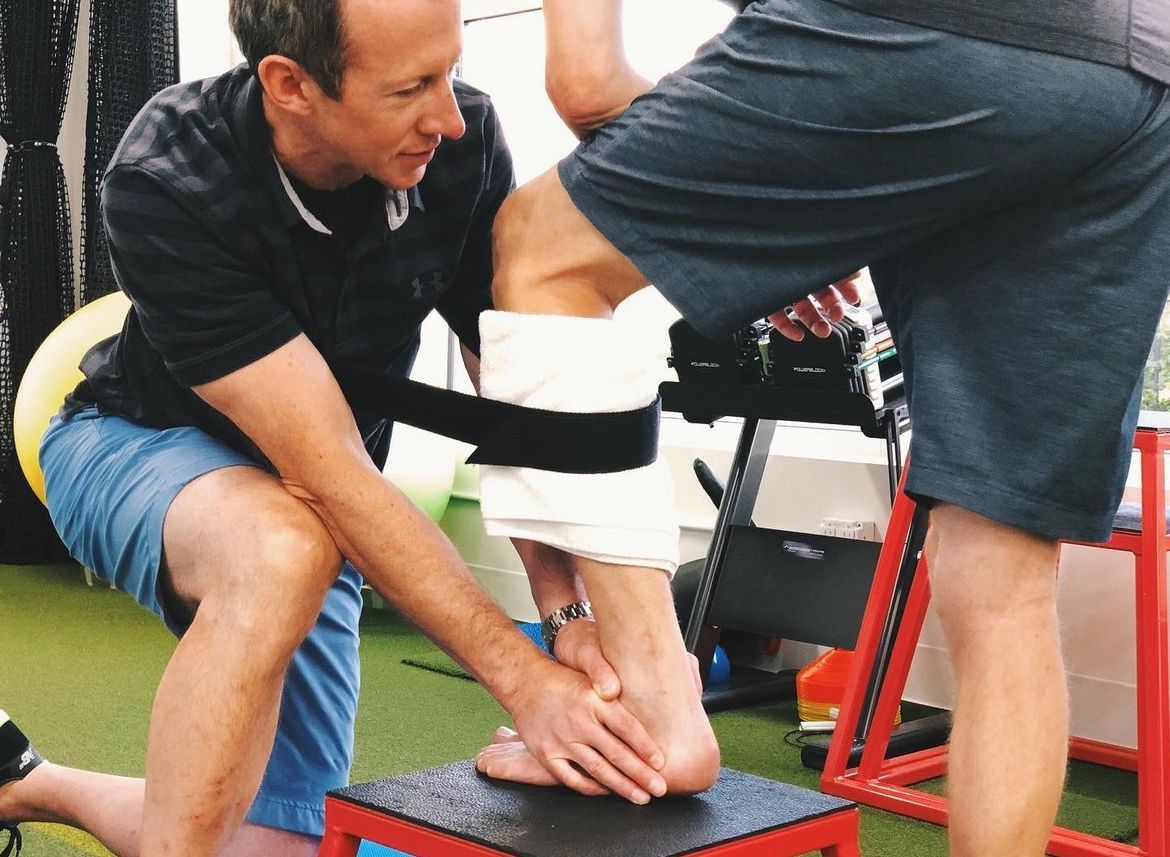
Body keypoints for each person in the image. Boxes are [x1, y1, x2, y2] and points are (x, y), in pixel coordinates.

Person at [469, 1, 1170, 856]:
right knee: (1003, 577)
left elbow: (585, 84)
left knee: (545, 250)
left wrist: (778, 218)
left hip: (934, 34)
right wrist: (799, 214)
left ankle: (660, 710)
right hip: (1135, 75)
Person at [0, 1, 680, 855]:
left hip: (314, 506)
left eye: (448, 70)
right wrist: (525, 680)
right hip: (129, 443)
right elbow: (328, 468)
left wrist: (564, 605)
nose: (448, 112)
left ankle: (27, 783)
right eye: (409, 88)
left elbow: (508, 393)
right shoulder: (168, 175)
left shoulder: (459, 142)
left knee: (285, 845)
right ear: (291, 84)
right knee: (280, 548)